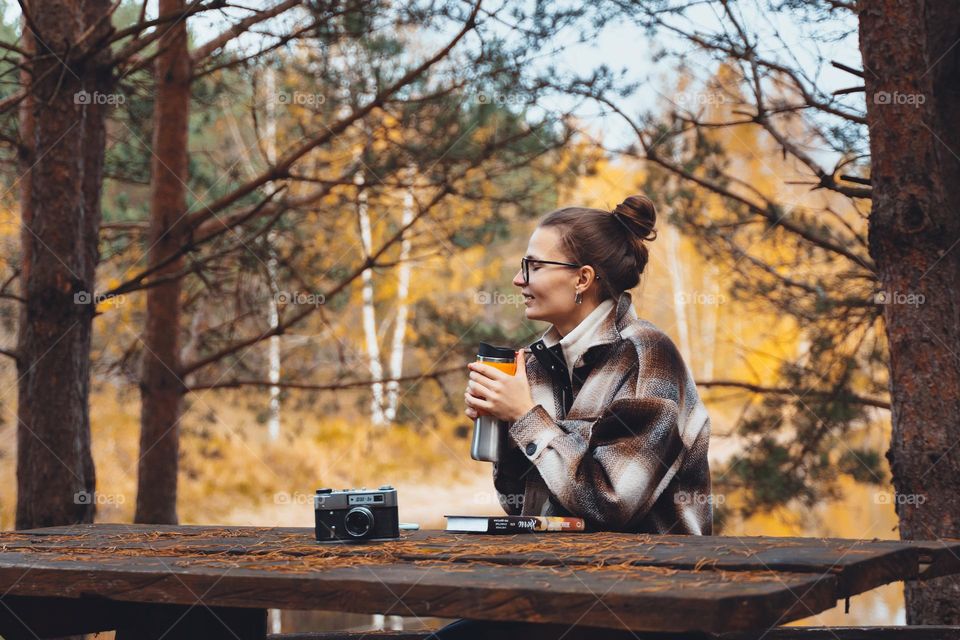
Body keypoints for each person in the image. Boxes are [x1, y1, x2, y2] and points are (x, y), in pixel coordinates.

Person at [432, 195, 712, 639]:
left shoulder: (647, 357)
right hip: (565, 593)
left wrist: (526, 417)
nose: (517, 278)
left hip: (652, 603)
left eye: (534, 266)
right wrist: (504, 427)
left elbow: (613, 503)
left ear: (582, 278)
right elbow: (525, 508)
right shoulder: (537, 362)